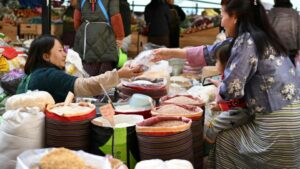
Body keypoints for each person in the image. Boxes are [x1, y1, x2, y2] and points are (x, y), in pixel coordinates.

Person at [153, 0, 300, 168]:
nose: (221, 21)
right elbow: (211, 51)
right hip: (295, 120)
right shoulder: (262, 36)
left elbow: (231, 89)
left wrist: (219, 94)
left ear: (235, 17)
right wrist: (169, 53)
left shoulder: (246, 41)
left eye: (222, 15)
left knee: (224, 138)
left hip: (277, 128)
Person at [17, 35, 141, 103]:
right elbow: (86, 85)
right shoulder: (49, 76)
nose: (65, 54)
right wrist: (118, 75)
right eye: (60, 50)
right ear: (46, 56)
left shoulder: (33, 74)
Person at [205, 41, 250, 143]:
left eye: (216, 61)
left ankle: (209, 137)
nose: (215, 64)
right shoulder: (228, 76)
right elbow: (223, 87)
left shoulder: (236, 82)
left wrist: (221, 107)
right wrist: (217, 83)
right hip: (234, 107)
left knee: (219, 121)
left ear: (227, 64)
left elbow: (239, 102)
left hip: (241, 111)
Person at [73, 0, 125, 76]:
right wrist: (120, 37)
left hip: (85, 34)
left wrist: (81, 32)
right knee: (105, 74)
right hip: (105, 35)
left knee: (86, 73)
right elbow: (115, 17)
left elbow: (77, 17)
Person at [268, 0, 300, 65]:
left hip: (275, 48)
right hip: (291, 49)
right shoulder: (295, 13)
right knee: (291, 70)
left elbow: (267, 30)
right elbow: (299, 33)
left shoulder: (272, 12)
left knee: (275, 70)